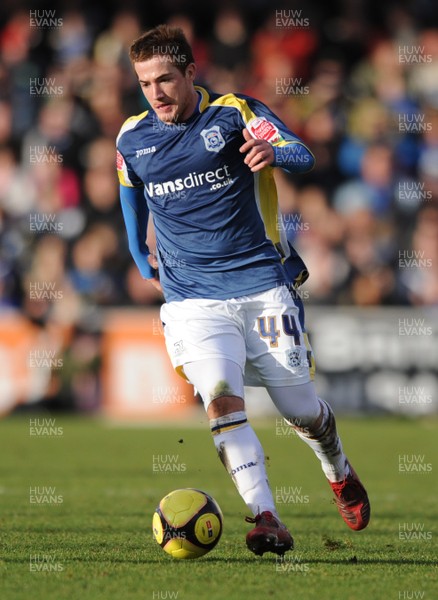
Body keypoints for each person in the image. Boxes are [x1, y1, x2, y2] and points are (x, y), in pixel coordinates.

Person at [116, 24, 370, 556]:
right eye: (145, 84)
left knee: (300, 410)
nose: (156, 93)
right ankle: (266, 517)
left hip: (262, 285)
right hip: (191, 299)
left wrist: (271, 154)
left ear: (191, 72)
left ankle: (338, 469)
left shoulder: (235, 113)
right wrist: (141, 258)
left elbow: (304, 153)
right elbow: (130, 192)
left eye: (166, 79)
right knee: (219, 398)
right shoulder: (132, 137)